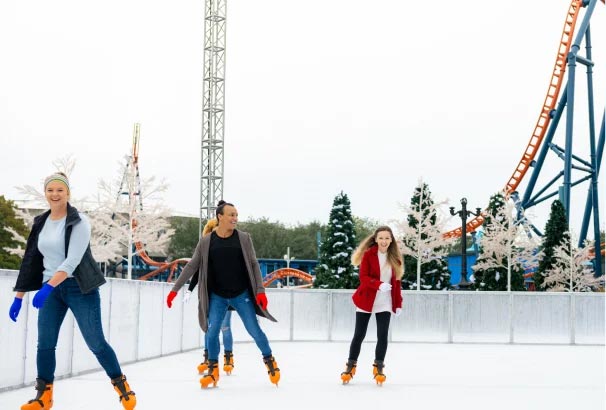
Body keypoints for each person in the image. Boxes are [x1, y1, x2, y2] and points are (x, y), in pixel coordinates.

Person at [8, 172, 136, 409]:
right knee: (45, 343)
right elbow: (31, 259)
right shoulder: (40, 223)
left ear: (68, 193)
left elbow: (72, 261)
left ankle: (122, 385)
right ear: (45, 193)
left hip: (79, 287)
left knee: (96, 342)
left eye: (60, 190)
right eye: (50, 190)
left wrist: (47, 287)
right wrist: (19, 296)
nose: (55, 195)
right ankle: (43, 397)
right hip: (51, 289)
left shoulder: (79, 221)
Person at [166, 200, 280, 388]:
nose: (235, 218)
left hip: (240, 293)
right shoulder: (206, 241)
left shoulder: (243, 238)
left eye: (236, 215)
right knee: (211, 333)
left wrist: (260, 290)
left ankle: (269, 360)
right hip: (217, 295)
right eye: (231, 215)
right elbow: (192, 265)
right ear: (220, 217)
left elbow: (253, 263)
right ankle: (213, 370)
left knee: (254, 330)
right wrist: (174, 290)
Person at [340, 226, 403, 386]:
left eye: (387, 238)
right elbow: (364, 277)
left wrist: (398, 303)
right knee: (359, 335)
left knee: (382, 336)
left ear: (391, 240)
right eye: (381, 238)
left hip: (385, 302)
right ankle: (350, 365)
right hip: (366, 300)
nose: (384, 241)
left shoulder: (395, 258)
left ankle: (379, 366)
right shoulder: (368, 255)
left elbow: (396, 284)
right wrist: (379, 284)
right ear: (375, 239)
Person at [184, 218, 236, 375]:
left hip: (226, 295)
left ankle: (228, 357)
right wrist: (190, 290)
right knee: (208, 328)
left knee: (224, 327)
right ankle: (208, 358)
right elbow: (198, 271)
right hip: (209, 296)